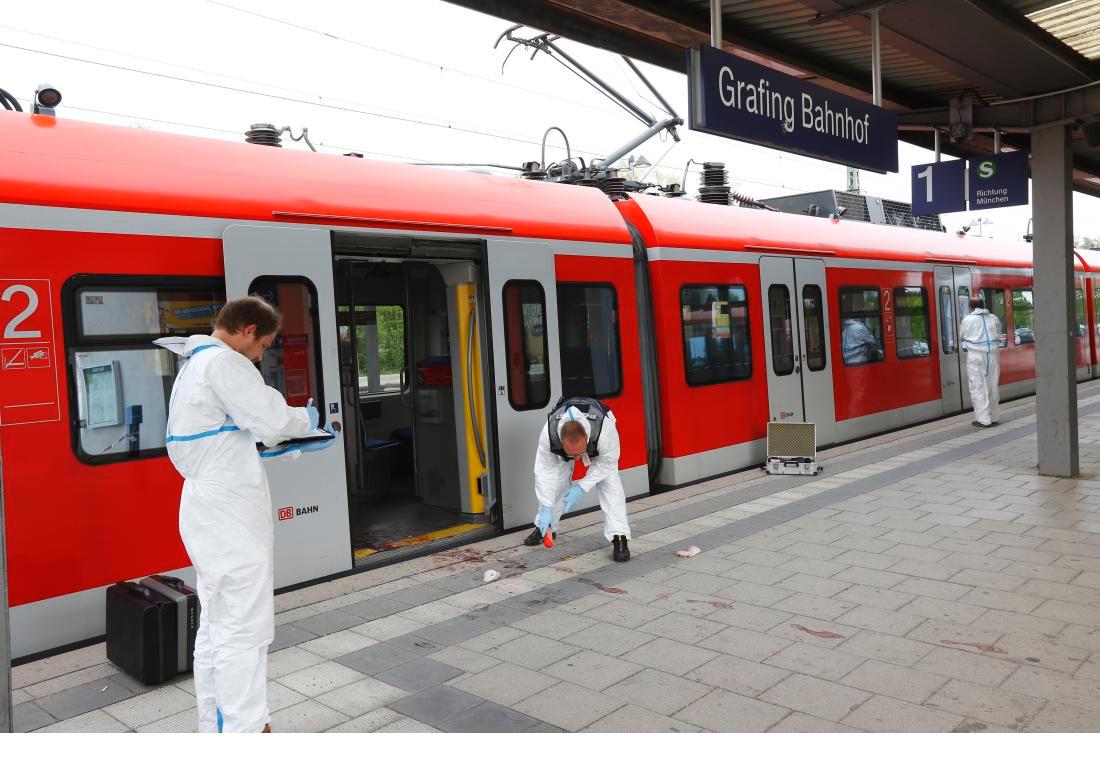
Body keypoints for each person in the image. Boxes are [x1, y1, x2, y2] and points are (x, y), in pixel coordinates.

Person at [155, 296, 333, 733]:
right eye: (263, 345)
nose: (260, 356)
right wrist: (304, 420)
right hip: (229, 515)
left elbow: (213, 439)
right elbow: (270, 419)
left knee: (217, 625)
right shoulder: (223, 364)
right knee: (244, 627)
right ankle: (248, 730)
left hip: (207, 506)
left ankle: (218, 728)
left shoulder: (193, 366)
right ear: (249, 329)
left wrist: (260, 450)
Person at [526, 396, 630, 562]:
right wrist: (546, 507)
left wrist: (581, 487)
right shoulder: (549, 433)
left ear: (587, 439)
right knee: (556, 482)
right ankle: (545, 526)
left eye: (579, 453)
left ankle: (619, 537)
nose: (576, 459)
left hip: (602, 448)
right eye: (571, 454)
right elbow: (544, 472)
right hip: (564, 447)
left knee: (610, 484)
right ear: (561, 440)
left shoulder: (604, 429)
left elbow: (607, 463)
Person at [960, 295, 1002, 427]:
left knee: (978, 386)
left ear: (971, 307)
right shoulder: (993, 318)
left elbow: (962, 336)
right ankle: (994, 416)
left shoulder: (967, 320)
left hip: (976, 356)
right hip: (993, 355)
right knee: (993, 385)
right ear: (983, 306)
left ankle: (983, 419)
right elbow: (999, 332)